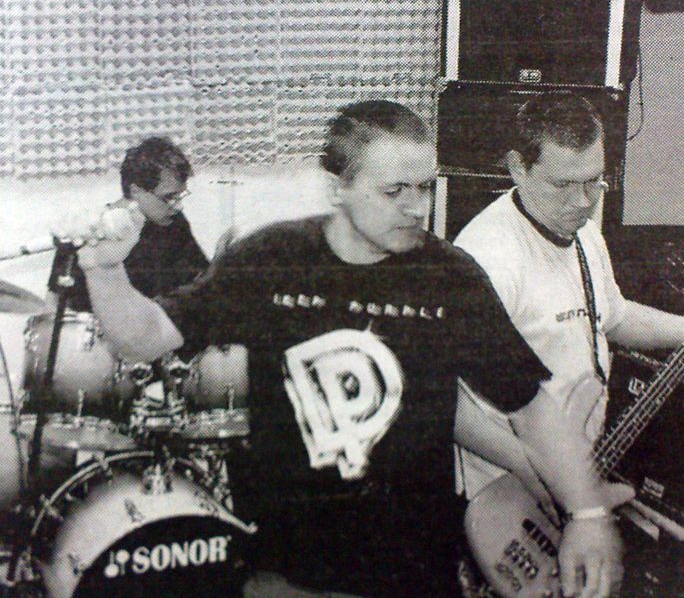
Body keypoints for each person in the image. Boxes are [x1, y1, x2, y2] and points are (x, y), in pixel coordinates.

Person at [55, 100, 556, 597]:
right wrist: (104, 267)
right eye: (394, 190)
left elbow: (511, 401)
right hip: (293, 570)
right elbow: (143, 338)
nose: (415, 206)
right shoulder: (271, 260)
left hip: (412, 568)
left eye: (424, 187)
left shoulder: (448, 275)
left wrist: (573, 497)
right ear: (338, 186)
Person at [454, 91, 684, 594]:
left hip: (579, 476)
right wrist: (541, 472)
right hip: (510, 498)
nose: (583, 202)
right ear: (517, 168)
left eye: (594, 181)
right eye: (564, 184)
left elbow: (612, 317)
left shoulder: (584, 233)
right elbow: (451, 406)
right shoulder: (486, 260)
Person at [47, 136, 210, 311]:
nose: (178, 206)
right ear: (136, 190)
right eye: (169, 197)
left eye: (180, 196)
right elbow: (53, 304)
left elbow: (202, 281)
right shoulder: (88, 231)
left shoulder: (173, 223)